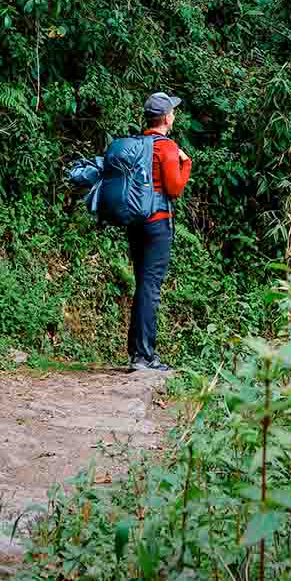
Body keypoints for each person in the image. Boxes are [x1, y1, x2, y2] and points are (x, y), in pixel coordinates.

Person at [126, 91, 191, 372]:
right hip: (157, 224)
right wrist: (186, 163)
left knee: (142, 284)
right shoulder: (166, 147)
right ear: (166, 118)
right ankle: (144, 356)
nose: (174, 116)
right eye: (172, 112)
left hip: (135, 223)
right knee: (150, 287)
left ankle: (136, 353)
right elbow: (174, 188)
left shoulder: (138, 143)